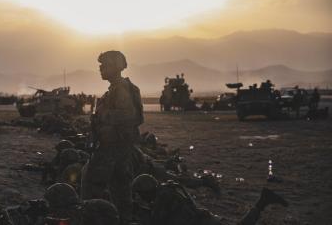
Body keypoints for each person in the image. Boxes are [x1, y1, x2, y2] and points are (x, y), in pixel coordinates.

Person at [81, 51, 143, 224]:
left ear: (115, 67)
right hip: (117, 149)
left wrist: (103, 116)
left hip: (113, 149)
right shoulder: (115, 89)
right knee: (121, 193)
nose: (101, 68)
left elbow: (130, 116)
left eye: (105, 65)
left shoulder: (121, 89)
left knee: (90, 188)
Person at [132, 174, 288, 225]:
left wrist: (136, 211)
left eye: (141, 194)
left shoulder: (162, 197)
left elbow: (155, 221)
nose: (141, 197)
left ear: (147, 191)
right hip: (202, 217)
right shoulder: (167, 189)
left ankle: (263, 201)